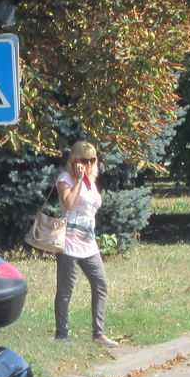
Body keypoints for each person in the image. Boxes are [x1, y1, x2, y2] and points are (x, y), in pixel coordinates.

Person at [54, 140, 119, 347]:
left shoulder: (92, 181)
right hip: (69, 243)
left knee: (101, 284)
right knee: (66, 289)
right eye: (84, 160)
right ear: (74, 161)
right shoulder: (65, 179)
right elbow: (69, 203)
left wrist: (86, 179)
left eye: (92, 160)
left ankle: (99, 334)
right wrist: (79, 180)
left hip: (89, 243)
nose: (89, 164)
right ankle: (61, 335)